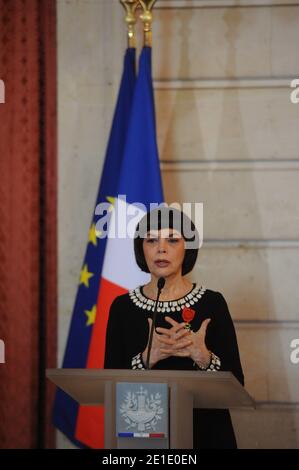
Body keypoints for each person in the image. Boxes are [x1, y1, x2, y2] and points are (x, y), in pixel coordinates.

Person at [104, 206, 244, 449]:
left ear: (186, 248)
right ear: (141, 249)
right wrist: (146, 359)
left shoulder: (212, 303)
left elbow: (237, 384)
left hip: (205, 433)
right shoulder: (122, 307)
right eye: (151, 240)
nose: (161, 248)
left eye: (172, 239)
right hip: (143, 436)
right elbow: (109, 383)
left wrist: (204, 358)